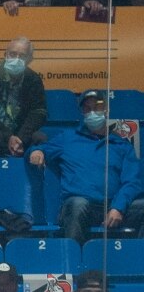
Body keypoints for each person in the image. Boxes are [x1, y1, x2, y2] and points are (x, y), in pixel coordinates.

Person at [28, 89, 144, 243]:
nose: (92, 112)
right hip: (81, 206)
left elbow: (132, 181)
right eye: (87, 109)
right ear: (82, 112)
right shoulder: (67, 139)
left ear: (106, 110)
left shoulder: (122, 145)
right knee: (78, 204)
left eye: (97, 107)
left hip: (114, 205)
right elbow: (40, 149)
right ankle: (73, 263)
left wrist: (118, 207)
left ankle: (136, 261)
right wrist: (37, 150)